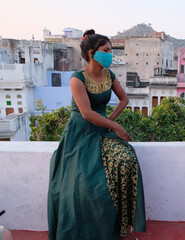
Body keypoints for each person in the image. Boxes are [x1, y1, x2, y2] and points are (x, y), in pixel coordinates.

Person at [47, 29, 146, 240]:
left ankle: (121, 223)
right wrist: (116, 126)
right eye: (106, 50)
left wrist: (111, 122)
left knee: (127, 159)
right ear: (92, 53)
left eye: (110, 50)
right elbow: (87, 113)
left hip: (102, 130)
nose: (110, 54)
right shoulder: (77, 79)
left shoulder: (109, 75)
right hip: (80, 134)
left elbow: (124, 100)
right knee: (86, 185)